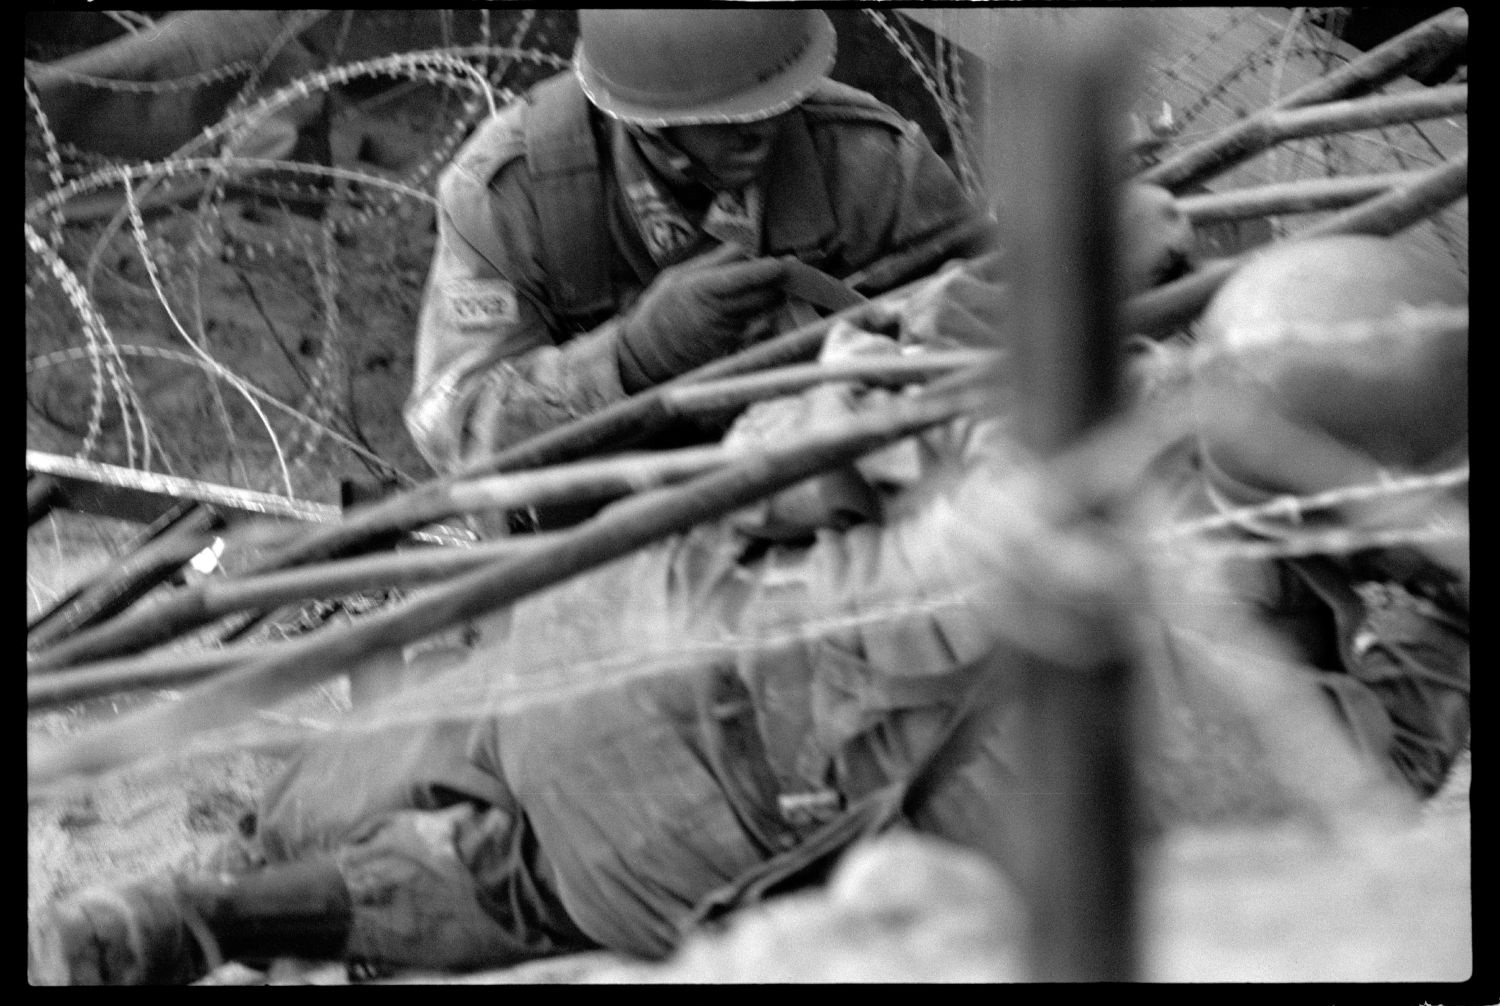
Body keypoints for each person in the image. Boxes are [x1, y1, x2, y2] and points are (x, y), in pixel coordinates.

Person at [29, 234, 1468, 984]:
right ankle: (215, 921)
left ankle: (222, 877)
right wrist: (1428, 608)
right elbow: (1362, 793)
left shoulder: (1051, 402)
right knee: (490, 885)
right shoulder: (1217, 687)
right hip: (705, 802)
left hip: (637, 612)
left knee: (390, 760)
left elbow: (835, 396)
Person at [402, 8, 995, 477]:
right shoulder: (512, 195)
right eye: (725, 120)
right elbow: (453, 427)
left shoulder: (869, 163)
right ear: (642, 120)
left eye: (774, 104)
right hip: (612, 536)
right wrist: (632, 358)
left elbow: (993, 330)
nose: (758, 135)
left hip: (833, 495)